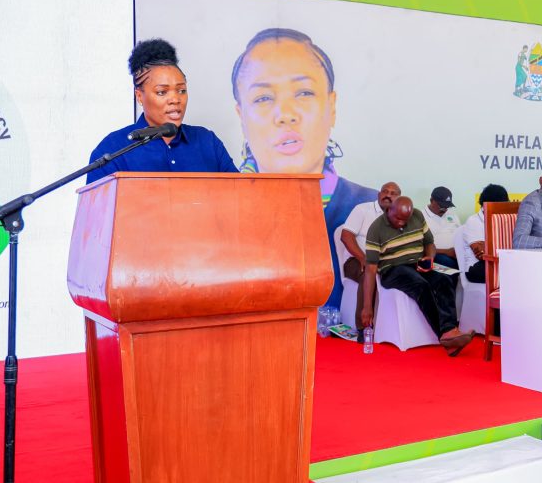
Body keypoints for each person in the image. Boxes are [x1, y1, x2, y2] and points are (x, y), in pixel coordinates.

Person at [231, 28, 376, 309]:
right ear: (241, 117)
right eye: (263, 98)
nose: (286, 114)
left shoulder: (371, 206)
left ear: (331, 107)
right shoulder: (224, 211)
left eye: (304, 92)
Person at [87, 39, 237, 184]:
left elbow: (240, 194)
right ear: (139, 96)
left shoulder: (207, 142)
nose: (175, 99)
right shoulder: (113, 149)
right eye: (162, 92)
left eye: (181, 90)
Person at [360, 197, 474, 356]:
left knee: (444, 280)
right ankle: (445, 334)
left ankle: (451, 332)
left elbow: (429, 244)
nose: (401, 223)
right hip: (392, 270)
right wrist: (367, 306)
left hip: (417, 264)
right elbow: (371, 269)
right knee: (421, 285)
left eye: (405, 219)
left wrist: (430, 257)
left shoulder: (418, 216)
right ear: (389, 210)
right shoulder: (376, 228)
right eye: (398, 218)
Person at [340, 182, 401, 333]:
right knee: (369, 274)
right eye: (385, 191)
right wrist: (363, 258)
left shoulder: (399, 216)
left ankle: (394, 329)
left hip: (385, 264)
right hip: (356, 261)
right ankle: (364, 328)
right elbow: (346, 236)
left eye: (393, 193)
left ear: (399, 198)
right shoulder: (362, 210)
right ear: (379, 194)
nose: (388, 195)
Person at [460, 184, 509, 284]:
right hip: (476, 267)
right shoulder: (474, 221)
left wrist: (491, 247)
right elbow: (481, 254)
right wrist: (503, 250)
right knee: (511, 271)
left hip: (500, 261)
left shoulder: (504, 219)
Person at [422, 186, 461, 268]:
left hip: (457, 253)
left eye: (447, 206)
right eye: (442, 205)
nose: (445, 209)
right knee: (448, 263)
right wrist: (447, 252)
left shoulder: (452, 214)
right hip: (437, 255)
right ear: (431, 200)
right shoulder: (421, 217)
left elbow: (460, 235)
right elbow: (420, 248)